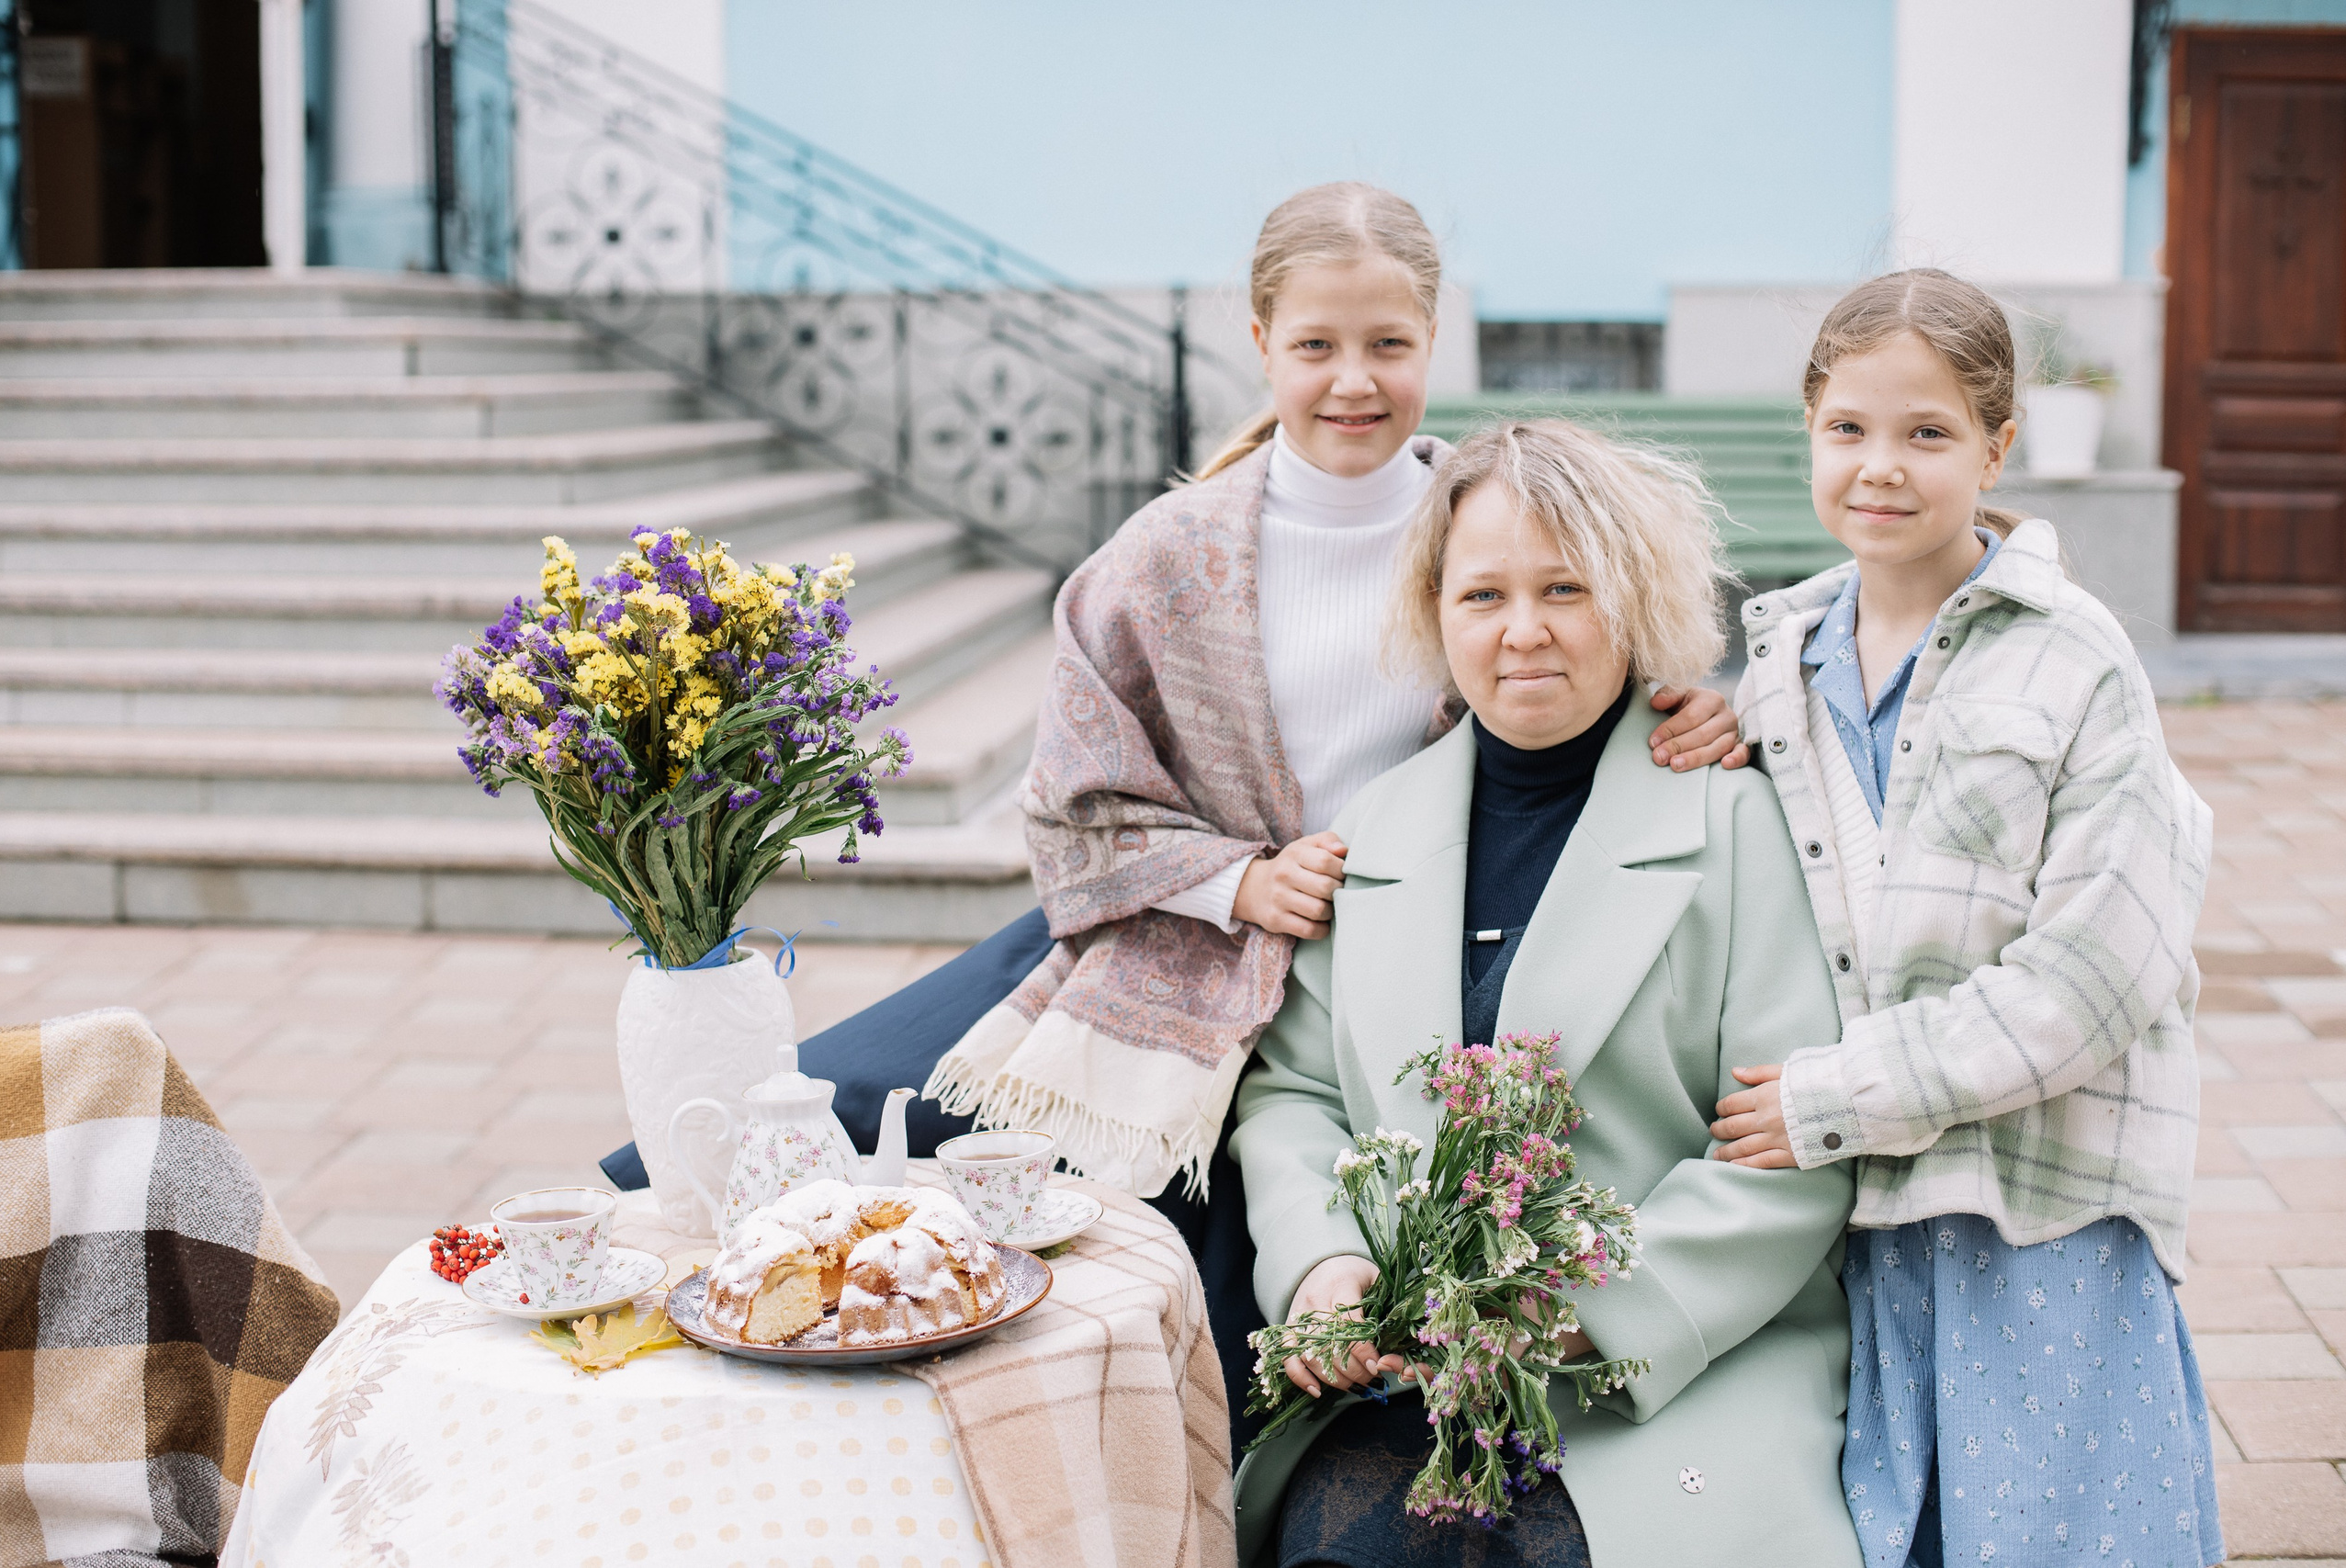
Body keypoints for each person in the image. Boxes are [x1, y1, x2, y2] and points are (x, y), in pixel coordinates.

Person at [603, 184, 1746, 1438]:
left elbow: (1587, 657)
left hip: (1394, 971)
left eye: (1388, 344)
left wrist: (1689, 708)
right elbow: (1071, 802)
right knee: (841, 1120)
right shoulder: (1169, 552)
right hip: (1185, 937)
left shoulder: (1489, 526)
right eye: (1315, 345)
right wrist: (1239, 880)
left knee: (1241, 1301)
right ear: (1260, 342)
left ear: (1435, 338)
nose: (1353, 380)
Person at [1232, 419, 1861, 1568]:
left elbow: (1788, 1152)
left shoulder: (1737, 820)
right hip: (1409, 1373)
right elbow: (1294, 1095)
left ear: (1632, 598)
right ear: (1435, 613)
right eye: (1483, 596)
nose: (1522, 631)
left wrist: (1574, 1313)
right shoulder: (1375, 827)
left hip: (1674, 1366)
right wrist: (1321, 1263)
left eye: (1564, 588)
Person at [1712, 269, 2224, 1568]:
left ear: (1997, 448)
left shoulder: (2076, 655)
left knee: (2069, 1535)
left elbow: (2100, 973)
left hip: (2045, 1209)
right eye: (1848, 427)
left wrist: (1846, 1091)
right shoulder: (1777, 665)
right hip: (1868, 1218)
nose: (1881, 465)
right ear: (1810, 429)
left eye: (1928, 432)